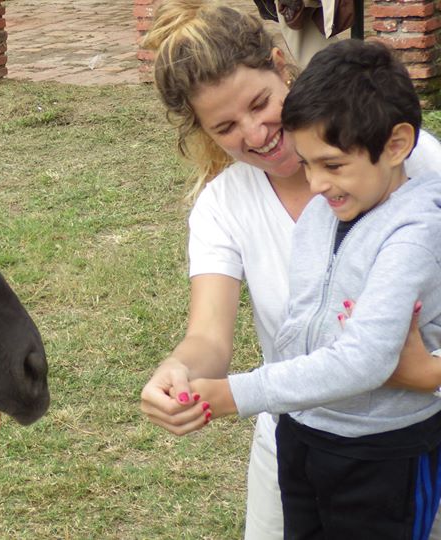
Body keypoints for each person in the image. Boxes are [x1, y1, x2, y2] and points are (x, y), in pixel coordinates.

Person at [137, 1, 441, 538]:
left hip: (407, 441)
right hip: (299, 437)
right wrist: (179, 370)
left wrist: (429, 374)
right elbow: (208, 337)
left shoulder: (413, 168)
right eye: (226, 126)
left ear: (282, 65)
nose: (255, 135)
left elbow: (372, 357)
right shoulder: (224, 203)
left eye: (260, 104)